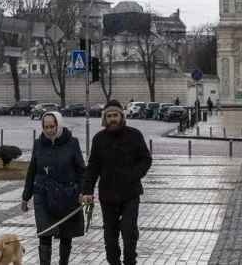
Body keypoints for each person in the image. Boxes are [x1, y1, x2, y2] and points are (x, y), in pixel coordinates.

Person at [81, 99, 152, 265]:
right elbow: (93, 167)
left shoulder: (135, 135)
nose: (113, 119)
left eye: (116, 115)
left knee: (129, 233)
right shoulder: (99, 139)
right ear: (105, 118)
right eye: (109, 116)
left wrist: (134, 175)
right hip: (108, 196)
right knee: (110, 238)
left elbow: (146, 159)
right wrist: (87, 191)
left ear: (122, 116)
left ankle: (130, 262)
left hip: (130, 194)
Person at [22, 111, 86, 265]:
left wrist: (83, 191)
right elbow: (32, 170)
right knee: (44, 234)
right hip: (43, 196)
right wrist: (26, 197)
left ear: (59, 124)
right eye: (46, 127)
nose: (49, 130)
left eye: (52, 126)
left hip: (67, 195)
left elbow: (82, 171)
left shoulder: (72, 143)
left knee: (66, 234)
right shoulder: (38, 144)